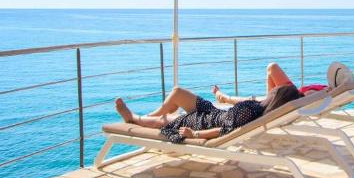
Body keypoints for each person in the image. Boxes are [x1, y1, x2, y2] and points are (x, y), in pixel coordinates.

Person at [113, 62, 303, 144]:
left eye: (274, 92)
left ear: (275, 98)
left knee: (170, 120)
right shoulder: (259, 108)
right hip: (213, 112)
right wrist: (223, 96)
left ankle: (135, 118)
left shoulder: (251, 113)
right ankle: (149, 116)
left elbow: (225, 131)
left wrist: (194, 134)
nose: (270, 92)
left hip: (209, 122)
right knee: (178, 92)